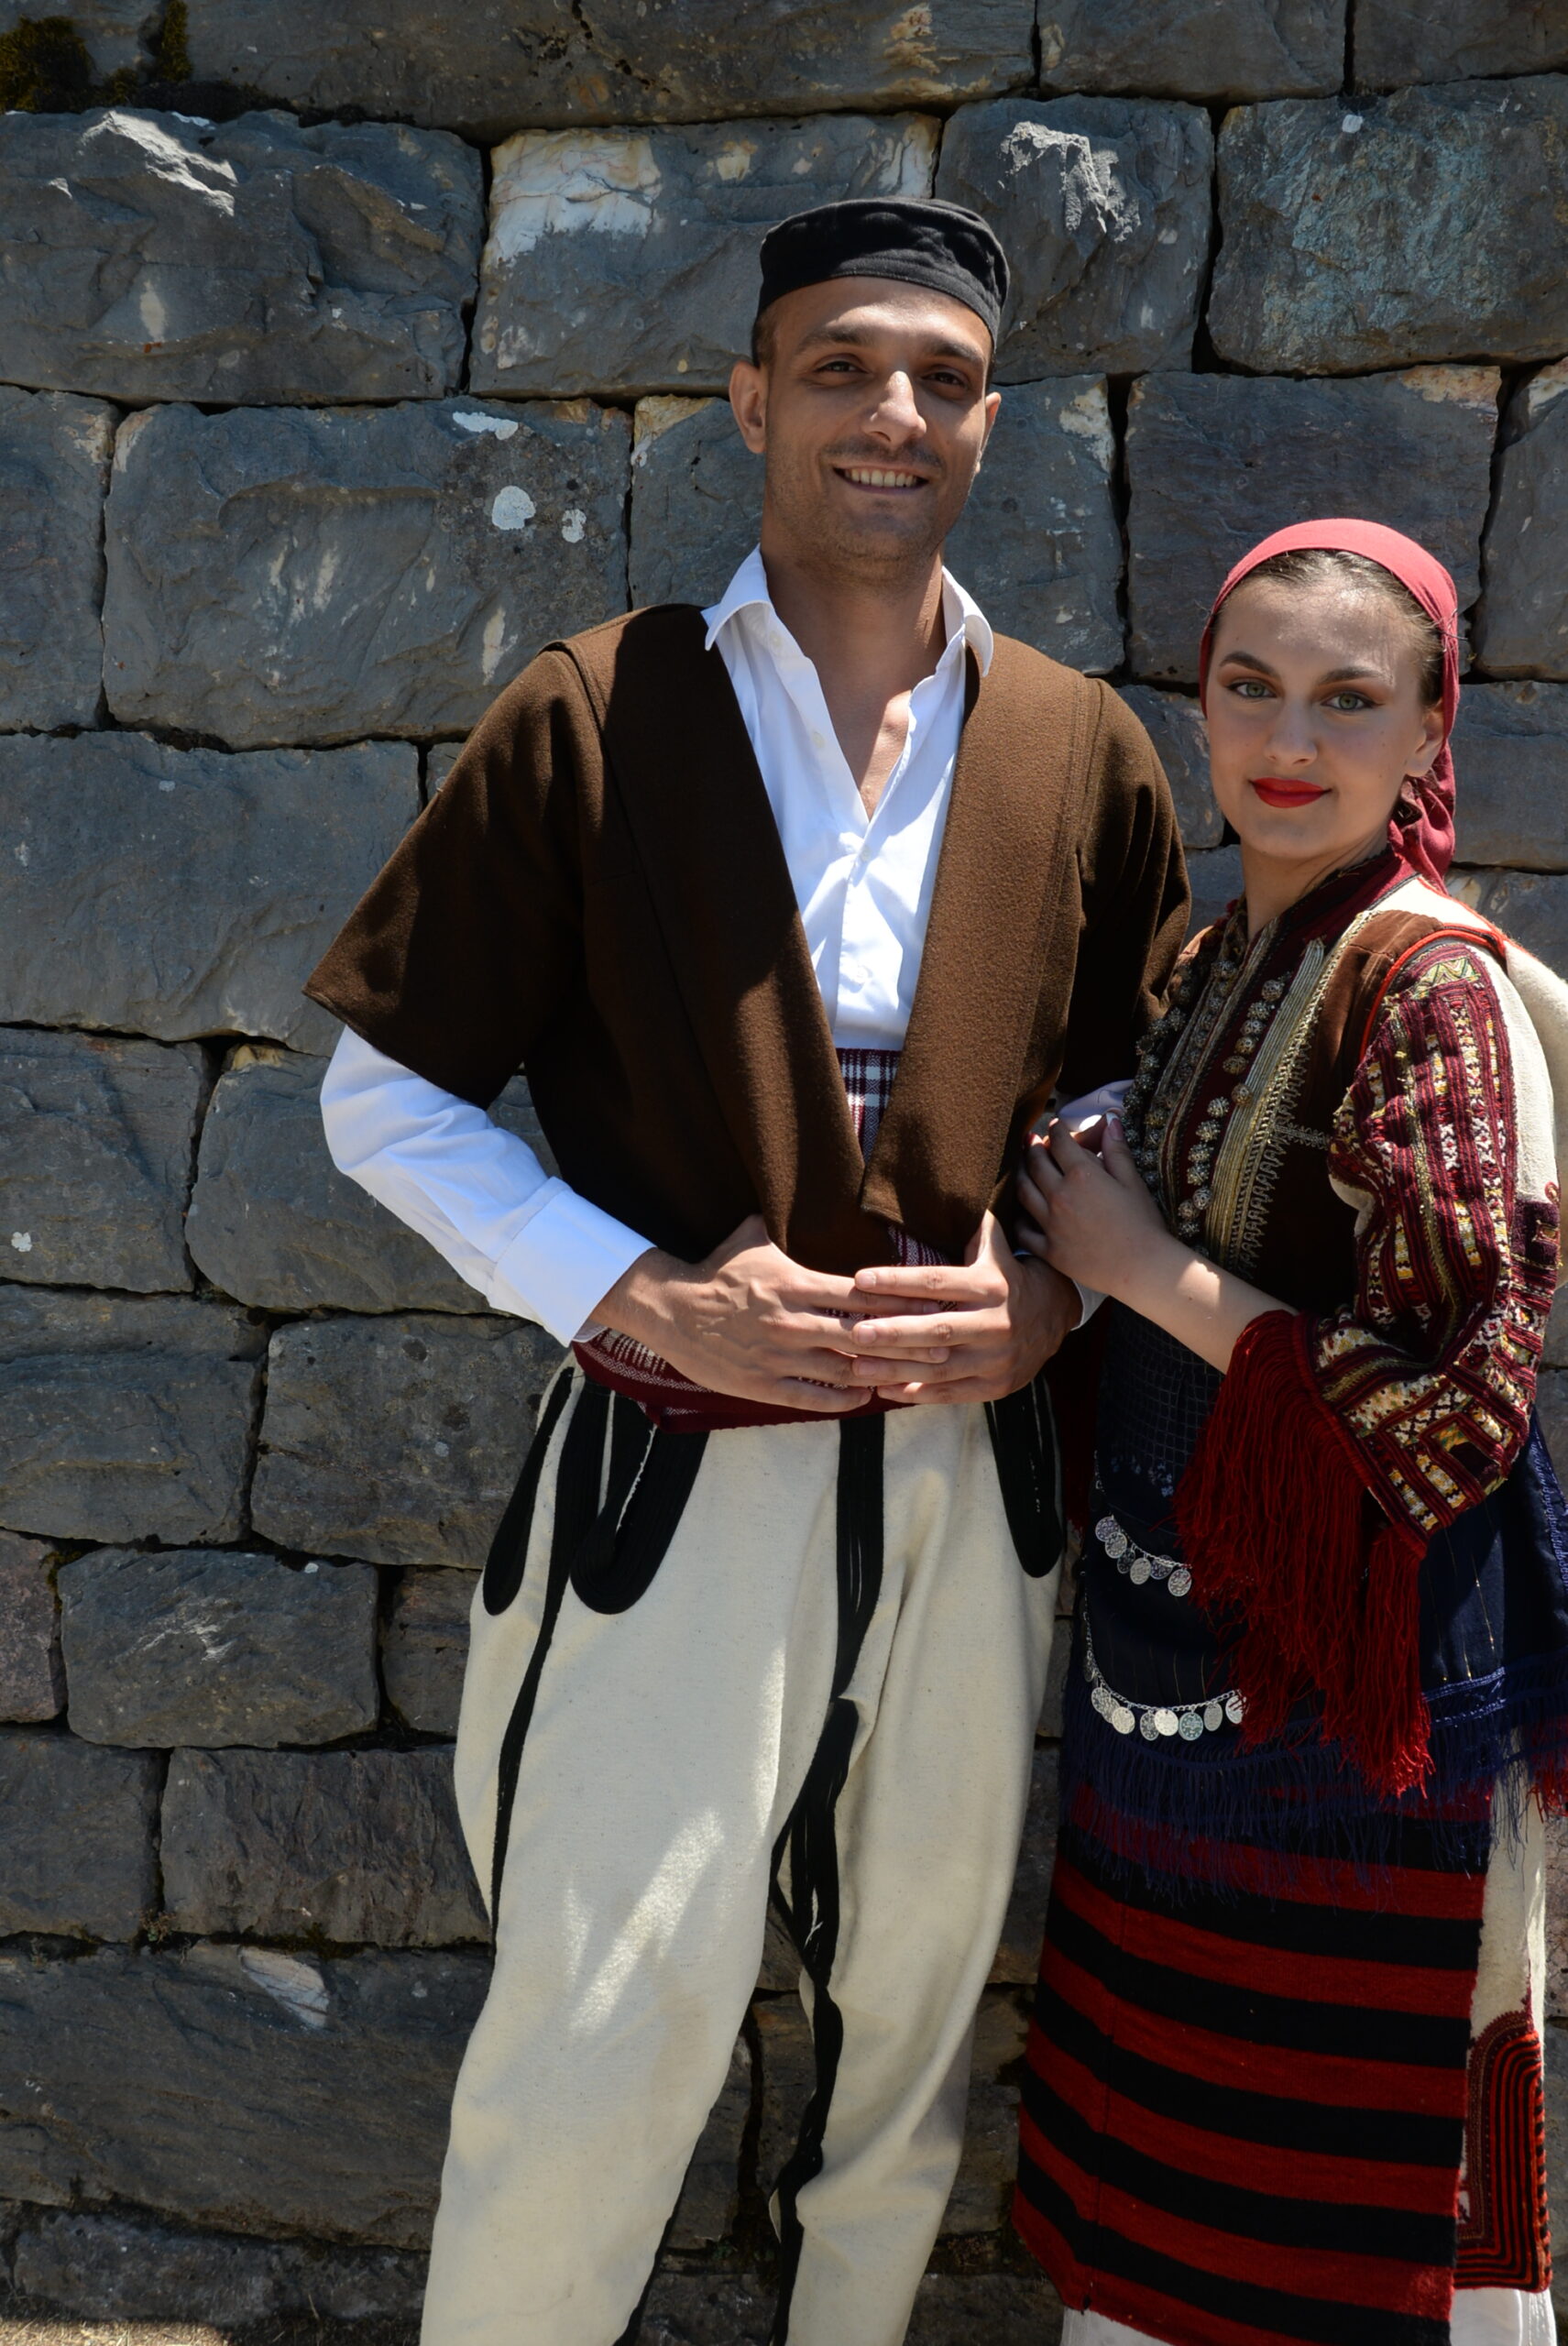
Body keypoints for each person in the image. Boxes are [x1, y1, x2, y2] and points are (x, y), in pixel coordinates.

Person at [303, 196, 1189, 2346]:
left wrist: (1056, 1300)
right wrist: (636, 1293)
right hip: (669, 1488)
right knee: (601, 2023)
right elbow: (378, 1095)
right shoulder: (597, 710)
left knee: (902, 2051)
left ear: (991, 421)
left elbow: (1131, 1120)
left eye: (943, 379)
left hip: (981, 1496)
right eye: (842, 366)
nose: (893, 413)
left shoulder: (1079, 746)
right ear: (749, 397)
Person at [1006, 519, 1568, 2346]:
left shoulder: (1429, 989)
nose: (1289, 739)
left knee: (1328, 2209)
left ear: (1428, 736)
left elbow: (1455, 1404)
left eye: (1349, 698)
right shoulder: (1219, 942)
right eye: (1249, 684)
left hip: (1349, 1705)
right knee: (1167, 2169)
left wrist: (1141, 1267)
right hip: (1178, 1659)